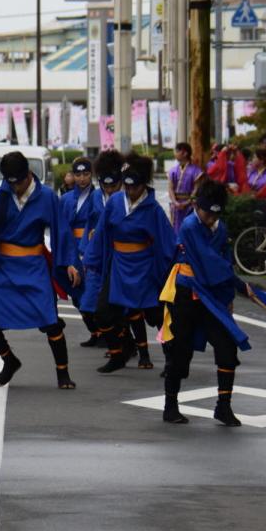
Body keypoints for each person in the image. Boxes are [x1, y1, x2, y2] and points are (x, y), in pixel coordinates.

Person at [0, 152, 80, 389]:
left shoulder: (46, 196)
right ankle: (9, 360)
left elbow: (61, 231)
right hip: (2, 267)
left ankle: (63, 373)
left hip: (34, 266)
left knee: (51, 321)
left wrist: (71, 262)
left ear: (28, 175)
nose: (14, 187)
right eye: (10, 182)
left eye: (19, 181)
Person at [157, 180, 254, 427]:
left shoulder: (221, 229)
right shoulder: (189, 226)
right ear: (197, 206)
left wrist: (229, 297)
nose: (210, 217)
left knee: (227, 348)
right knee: (179, 351)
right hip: (186, 292)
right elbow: (209, 261)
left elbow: (224, 260)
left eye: (215, 213)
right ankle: (170, 406)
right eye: (207, 212)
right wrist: (238, 284)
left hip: (211, 296)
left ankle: (223, 406)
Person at [85, 154, 177, 374]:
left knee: (157, 316)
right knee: (103, 312)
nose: (130, 191)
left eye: (134, 187)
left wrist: (170, 273)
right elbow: (102, 234)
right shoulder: (116, 202)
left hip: (144, 268)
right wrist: (92, 260)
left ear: (144, 184)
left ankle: (172, 360)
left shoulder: (153, 209)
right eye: (127, 187)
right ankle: (119, 352)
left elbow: (167, 244)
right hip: (118, 266)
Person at [76, 150, 124, 349]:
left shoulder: (124, 198)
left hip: (120, 255)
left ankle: (126, 345)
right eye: (106, 185)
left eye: (114, 185)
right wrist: (85, 253)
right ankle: (102, 336)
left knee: (121, 304)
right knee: (88, 303)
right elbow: (90, 224)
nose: (110, 189)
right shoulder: (96, 196)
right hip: (97, 253)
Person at [60, 157, 98, 339]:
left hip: (91, 247)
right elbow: (60, 228)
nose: (82, 178)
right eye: (78, 174)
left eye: (86, 174)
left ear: (91, 175)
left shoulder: (98, 197)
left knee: (91, 292)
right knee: (76, 293)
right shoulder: (66, 199)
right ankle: (94, 331)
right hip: (71, 248)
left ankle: (102, 332)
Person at [168, 142, 202, 228]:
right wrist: (175, 202)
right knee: (175, 229)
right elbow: (170, 188)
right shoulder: (173, 170)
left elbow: (196, 190)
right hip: (175, 206)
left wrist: (186, 203)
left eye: (177, 151)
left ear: (185, 153)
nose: (175, 154)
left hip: (189, 207)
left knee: (188, 228)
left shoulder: (196, 171)